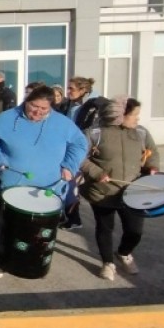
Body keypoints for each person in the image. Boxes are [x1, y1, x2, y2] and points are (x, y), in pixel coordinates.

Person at [0, 86, 88, 278]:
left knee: (38, 231)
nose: (37, 112)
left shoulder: (63, 124)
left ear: (51, 107)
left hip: (47, 188)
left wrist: (69, 166)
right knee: (3, 226)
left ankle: (32, 263)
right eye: (33, 106)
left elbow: (80, 144)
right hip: (8, 186)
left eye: (43, 109)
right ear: (26, 101)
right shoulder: (6, 118)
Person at [79, 97, 159, 281]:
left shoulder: (141, 132)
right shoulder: (94, 133)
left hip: (132, 192)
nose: (138, 119)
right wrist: (97, 172)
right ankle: (108, 263)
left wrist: (153, 167)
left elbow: (152, 151)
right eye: (134, 115)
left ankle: (124, 253)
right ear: (118, 116)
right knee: (105, 228)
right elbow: (80, 158)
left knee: (135, 231)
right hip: (102, 190)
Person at [59, 76, 102, 230]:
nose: (68, 91)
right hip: (69, 149)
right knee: (68, 185)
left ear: (83, 90)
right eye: (68, 88)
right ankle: (70, 217)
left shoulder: (91, 107)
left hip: (81, 153)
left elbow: (89, 133)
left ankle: (74, 219)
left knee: (71, 186)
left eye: (72, 88)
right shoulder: (74, 104)